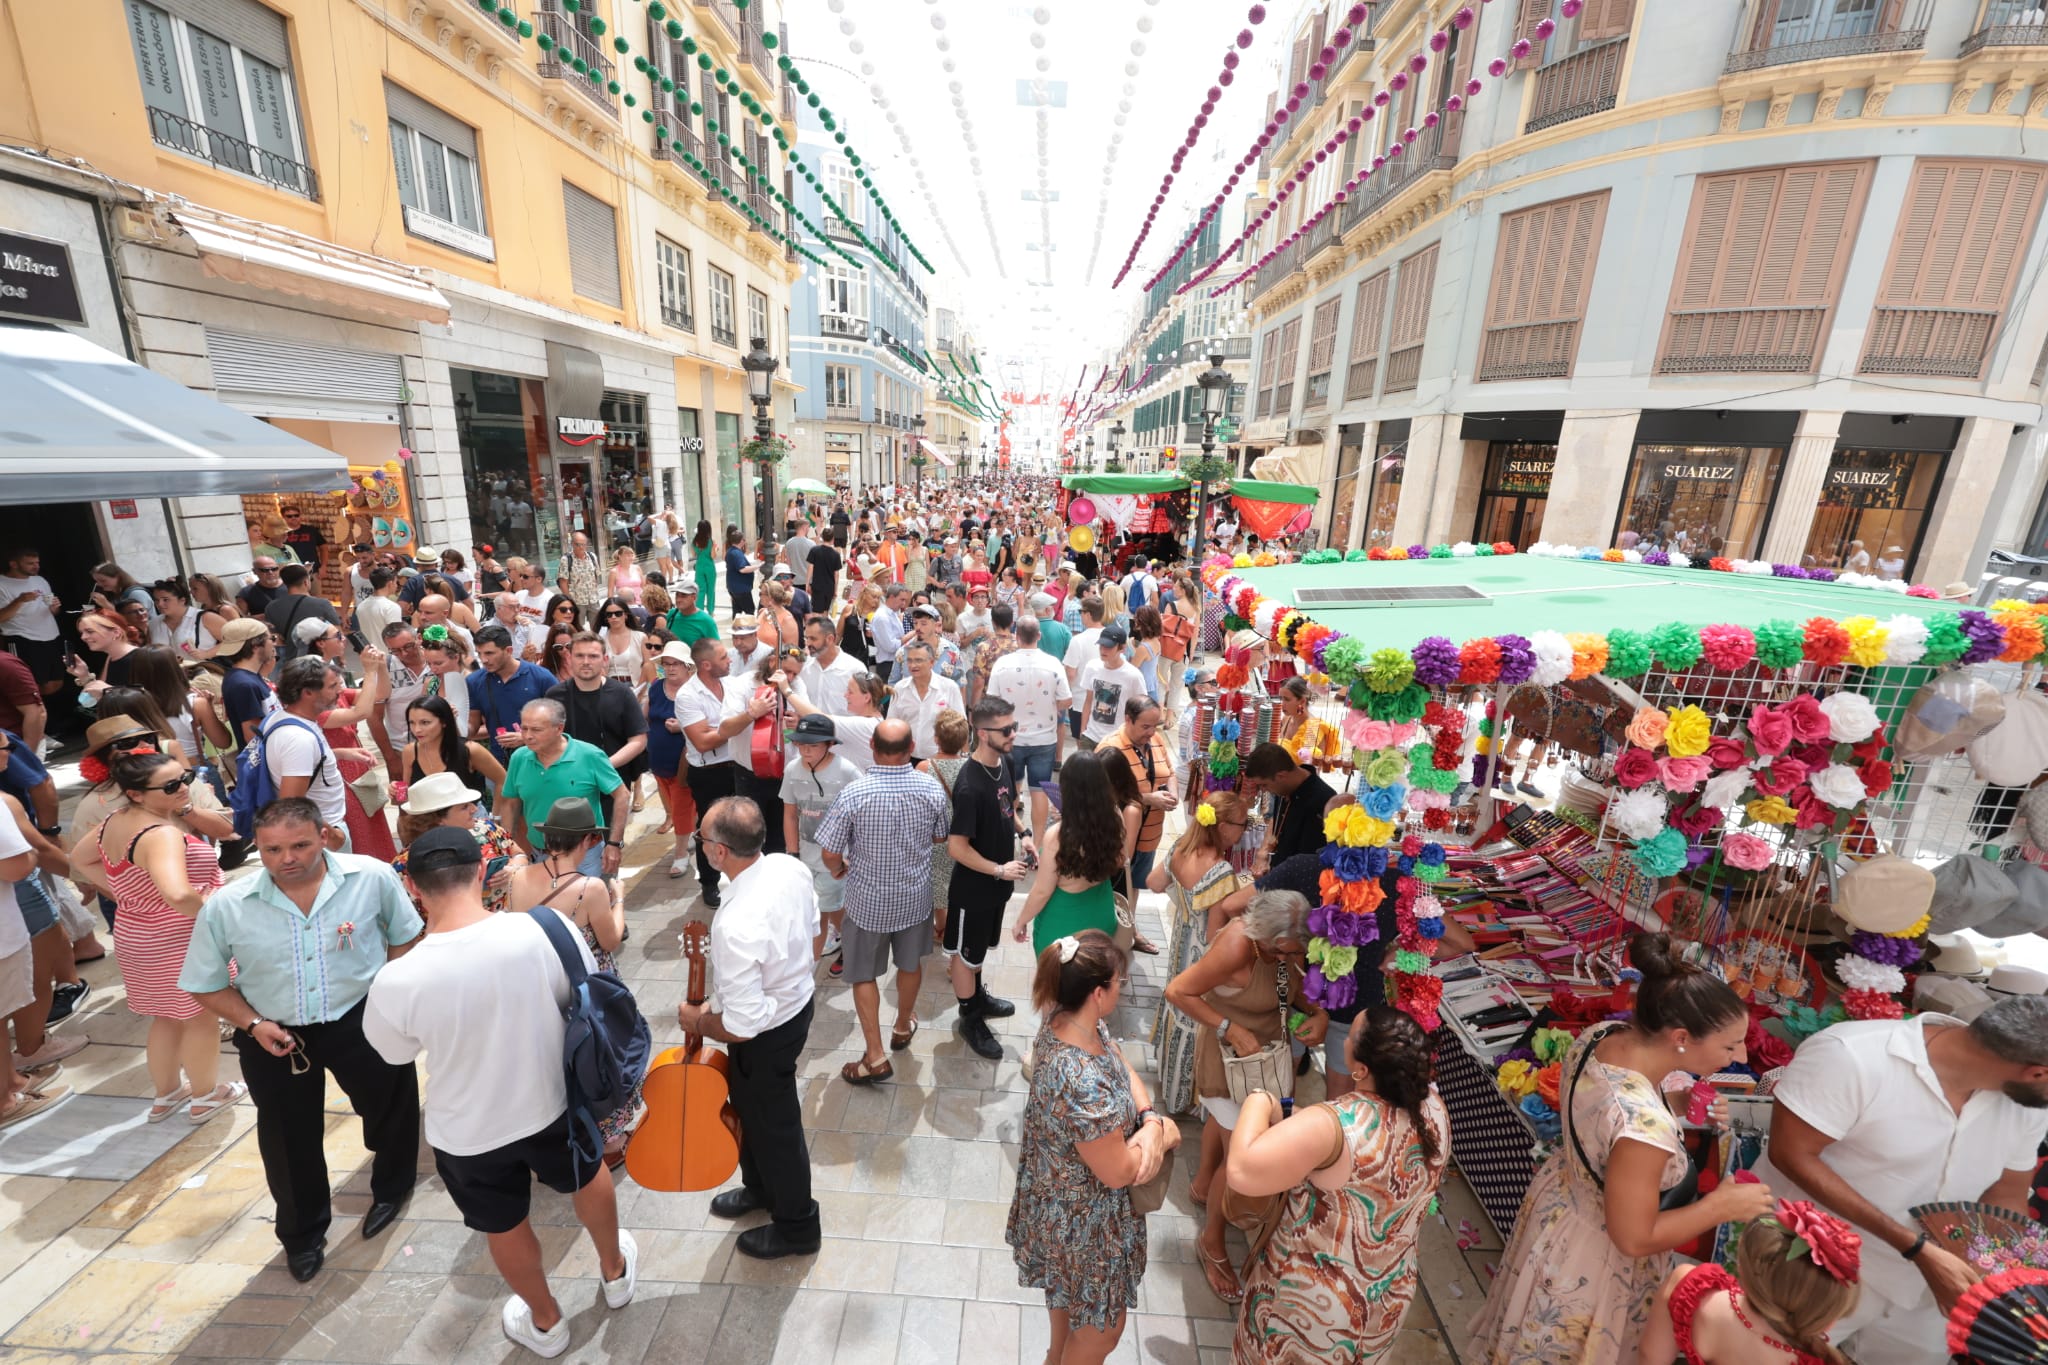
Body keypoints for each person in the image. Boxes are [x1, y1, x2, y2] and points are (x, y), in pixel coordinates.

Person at [363, 825, 634, 1356]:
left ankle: (547, 1322)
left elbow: (393, 1054)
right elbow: (570, 999)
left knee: (503, 1224)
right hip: (554, 1101)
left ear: (413, 888)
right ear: (484, 872)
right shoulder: (545, 928)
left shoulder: (398, 979)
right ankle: (615, 1271)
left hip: (468, 1130)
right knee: (587, 1174)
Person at [1473, 931, 1775, 1365]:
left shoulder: (1605, 1036)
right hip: (1594, 1263)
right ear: (1681, 1037)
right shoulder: (1643, 1130)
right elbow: (1633, 1238)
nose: (1739, 1055)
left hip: (1560, 1212)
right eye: (1729, 1045)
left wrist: (1677, 1103)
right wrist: (1721, 1206)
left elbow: (1606, 1113)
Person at [180, 798, 423, 1282]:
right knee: (288, 1140)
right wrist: (252, 1024)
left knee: (391, 1107)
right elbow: (204, 982)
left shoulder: (371, 877)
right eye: (271, 849)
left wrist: (388, 994)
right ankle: (303, 1234)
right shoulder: (229, 905)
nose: (286, 858)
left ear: (325, 835)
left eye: (299, 845)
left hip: (361, 1018)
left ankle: (393, 1188)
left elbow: (406, 935)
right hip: (273, 1034)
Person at [1748, 993, 2048, 1363]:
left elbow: (2006, 1192)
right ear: (2037, 1073)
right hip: (1808, 1270)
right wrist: (1914, 1247)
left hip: (1926, 1291)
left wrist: (1993, 1271)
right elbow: (1791, 1154)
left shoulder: (2026, 1107)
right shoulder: (1852, 1055)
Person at [1227, 1006, 1450, 1363]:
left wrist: (1260, 1100)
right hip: (1385, 1297)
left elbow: (1241, 1171)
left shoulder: (1336, 1124)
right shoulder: (1434, 1109)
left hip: (1311, 1309)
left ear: (1360, 1069)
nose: (1343, 1039)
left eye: (1349, 1037)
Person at [1006, 930, 1170, 1365]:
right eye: (1120, 983)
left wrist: (1148, 1115)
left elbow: (1116, 1057)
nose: (1123, 989)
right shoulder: (1083, 1084)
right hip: (1087, 1226)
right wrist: (1163, 1134)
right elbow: (1118, 1172)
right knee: (1101, 1331)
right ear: (1098, 993)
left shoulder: (1068, 1021)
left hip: (1057, 1205)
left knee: (1064, 1300)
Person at [1165, 888, 1330, 1301]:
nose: (1294, 959)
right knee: (1239, 1154)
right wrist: (1228, 1028)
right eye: (1287, 952)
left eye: (1297, 953)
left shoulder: (1283, 950)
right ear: (1266, 939)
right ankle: (1212, 1241)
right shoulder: (1237, 946)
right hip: (1227, 1064)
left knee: (1226, 1135)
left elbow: (1295, 991)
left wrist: (1320, 1014)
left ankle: (1204, 1185)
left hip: (1265, 1061)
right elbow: (1178, 991)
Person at [66, 747, 241, 1122]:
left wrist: (127, 893)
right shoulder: (160, 834)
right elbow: (178, 894)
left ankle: (167, 1095)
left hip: (137, 935)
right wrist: (216, 912)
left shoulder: (115, 819)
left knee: (165, 1017)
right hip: (178, 937)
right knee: (200, 1017)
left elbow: (81, 859)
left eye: (185, 779)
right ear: (136, 793)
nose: (182, 789)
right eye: (170, 785)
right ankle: (206, 1095)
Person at [684, 796, 824, 1258]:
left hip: (768, 1032)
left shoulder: (736, 926)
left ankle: (798, 1226)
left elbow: (742, 1026)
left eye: (702, 838)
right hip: (794, 1005)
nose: (699, 844)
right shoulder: (788, 867)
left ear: (720, 851)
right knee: (749, 1108)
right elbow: (816, 927)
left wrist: (697, 1020)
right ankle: (761, 1188)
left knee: (775, 1126)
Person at [816, 719, 950, 1086]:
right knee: (909, 965)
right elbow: (941, 837)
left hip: (866, 900)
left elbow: (829, 852)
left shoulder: (855, 793)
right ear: (910, 749)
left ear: (872, 747)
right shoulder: (931, 789)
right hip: (914, 898)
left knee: (863, 973)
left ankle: (874, 1054)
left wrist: (840, 866)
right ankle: (903, 1024)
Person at [504, 799, 637, 1163]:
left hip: (540, 984)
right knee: (599, 1060)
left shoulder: (518, 878)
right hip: (586, 987)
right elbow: (610, 940)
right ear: (589, 840)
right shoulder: (589, 887)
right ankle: (610, 1139)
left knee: (558, 1061)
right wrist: (619, 901)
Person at [1637, 1201, 1861, 1365]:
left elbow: (1650, 1357)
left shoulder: (1691, 1287)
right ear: (1826, 1321)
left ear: (1744, 1266)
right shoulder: (1814, 1360)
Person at [1149, 793, 1253, 1116]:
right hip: (1200, 959)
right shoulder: (1220, 872)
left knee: (1176, 1009)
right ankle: (1189, 1100)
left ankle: (1170, 1087)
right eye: (1242, 824)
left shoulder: (1182, 846)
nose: (1245, 830)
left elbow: (1153, 882)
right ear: (1223, 827)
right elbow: (1214, 937)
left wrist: (1183, 902)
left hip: (1179, 944)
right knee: (1195, 1018)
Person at [940, 697, 1028, 1060]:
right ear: (982, 732)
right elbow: (956, 848)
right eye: (1006, 730)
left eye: (1014, 727)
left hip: (996, 885)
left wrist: (1024, 835)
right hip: (974, 889)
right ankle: (970, 1017)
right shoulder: (969, 785)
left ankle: (978, 996)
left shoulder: (1003, 761)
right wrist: (998, 869)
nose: (1013, 735)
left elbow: (1008, 808)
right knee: (965, 955)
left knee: (978, 953)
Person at [675, 637, 772, 908]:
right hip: (709, 773)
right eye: (723, 657)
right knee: (710, 829)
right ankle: (709, 882)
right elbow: (702, 742)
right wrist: (740, 722)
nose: (730, 659)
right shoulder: (687, 695)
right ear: (706, 665)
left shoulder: (731, 684)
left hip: (738, 768)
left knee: (746, 824)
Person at [497, 699, 630, 880]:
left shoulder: (589, 755)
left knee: (587, 906)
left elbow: (622, 794)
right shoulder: (519, 758)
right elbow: (511, 803)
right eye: (524, 728)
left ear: (559, 729)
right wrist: (507, 848)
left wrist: (614, 844)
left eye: (536, 730)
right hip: (540, 856)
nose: (527, 736)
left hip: (586, 857)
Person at [1011, 750, 1126, 957]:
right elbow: (1119, 861)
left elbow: (1041, 891)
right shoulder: (1116, 818)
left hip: (1063, 925)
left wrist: (1021, 921)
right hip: (1102, 914)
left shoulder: (1058, 835)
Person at [988, 614, 1071, 845]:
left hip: (1010, 738)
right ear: (1039, 636)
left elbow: (992, 701)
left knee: (1008, 791)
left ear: (1016, 636)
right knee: (1039, 791)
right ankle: (1039, 843)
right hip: (1044, 738)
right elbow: (1066, 700)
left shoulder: (1002, 664)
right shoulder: (1053, 664)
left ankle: (1008, 837)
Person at [390, 772, 524, 914]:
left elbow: (519, 855)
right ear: (436, 819)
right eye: (464, 807)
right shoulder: (405, 866)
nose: (475, 809)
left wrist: (513, 869)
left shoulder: (487, 830)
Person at [258, 658, 356, 850]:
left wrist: (341, 754)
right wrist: (333, 835)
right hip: (321, 836)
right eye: (332, 686)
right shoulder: (298, 739)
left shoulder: (284, 719)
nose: (340, 691)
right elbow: (291, 805)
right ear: (308, 692)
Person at [546, 633, 649, 801]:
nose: (586, 661)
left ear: (605, 659)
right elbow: (548, 738)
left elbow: (638, 739)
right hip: (568, 781)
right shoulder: (554, 696)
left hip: (612, 780)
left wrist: (604, 765)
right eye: (580, 655)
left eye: (593, 656)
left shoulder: (622, 694)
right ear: (569, 658)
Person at [1100, 696, 1177, 902]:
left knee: (1132, 886)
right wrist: (1149, 799)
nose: (1151, 732)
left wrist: (1173, 794)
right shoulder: (1110, 749)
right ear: (1128, 719)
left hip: (1150, 835)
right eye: (1145, 726)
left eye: (1155, 726)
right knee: (1113, 889)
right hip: (1119, 840)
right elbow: (1102, 795)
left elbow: (1170, 773)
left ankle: (1130, 928)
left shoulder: (1156, 740)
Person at [1243, 743, 1350, 868]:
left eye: (1264, 785)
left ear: (1281, 776)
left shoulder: (1323, 801)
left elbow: (1310, 859)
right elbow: (1276, 819)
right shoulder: (1284, 787)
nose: (1263, 790)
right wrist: (1264, 851)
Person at [467, 625, 558, 763]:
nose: (483, 660)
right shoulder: (474, 681)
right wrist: (453, 721)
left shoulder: (541, 677)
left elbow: (560, 721)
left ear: (508, 650)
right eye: (479, 654)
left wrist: (526, 737)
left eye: (489, 653)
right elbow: (472, 726)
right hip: (499, 762)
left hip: (541, 760)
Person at [645, 641, 697, 878]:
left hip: (684, 762)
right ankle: (691, 837)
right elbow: (646, 715)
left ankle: (680, 854)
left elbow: (709, 723)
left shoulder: (695, 690)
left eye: (676, 663)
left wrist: (683, 727)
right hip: (658, 760)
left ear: (688, 666)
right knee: (674, 806)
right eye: (666, 664)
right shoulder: (656, 687)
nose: (671, 668)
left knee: (681, 809)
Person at [403, 694, 506, 804]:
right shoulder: (410, 751)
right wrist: (395, 794)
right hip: (424, 819)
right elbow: (405, 796)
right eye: (412, 723)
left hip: (468, 818)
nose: (417, 729)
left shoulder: (470, 750)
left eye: (425, 722)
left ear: (444, 722)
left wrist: (497, 815)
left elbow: (503, 780)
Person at [0, 547, 65, 709]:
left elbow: (52, 611)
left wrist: (55, 607)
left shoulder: (40, 580)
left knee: (56, 681)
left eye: (37, 563)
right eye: (30, 563)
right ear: (13, 564)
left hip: (50, 635)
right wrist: (20, 600)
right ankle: (41, 721)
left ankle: (54, 719)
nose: (36, 566)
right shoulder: (2, 584)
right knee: (31, 684)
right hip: (22, 638)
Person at [1074, 625, 1147, 754]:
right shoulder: (1092, 667)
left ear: (1122, 648)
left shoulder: (1134, 676)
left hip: (1117, 740)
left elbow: (1141, 709)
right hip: (1091, 737)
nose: (1103, 650)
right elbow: (1088, 701)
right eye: (1101, 645)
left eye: (1109, 647)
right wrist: (1082, 732)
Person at [892, 639, 964, 762]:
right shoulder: (900, 688)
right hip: (906, 758)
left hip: (940, 759)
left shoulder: (949, 687)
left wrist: (963, 755)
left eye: (918, 660)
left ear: (931, 662)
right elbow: (892, 723)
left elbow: (961, 724)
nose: (913, 665)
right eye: (909, 660)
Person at [263, 565, 343, 663]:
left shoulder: (271, 607)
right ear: (306, 582)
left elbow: (275, 638)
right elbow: (337, 634)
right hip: (321, 660)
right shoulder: (322, 604)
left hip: (291, 662)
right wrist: (341, 658)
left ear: (285, 583)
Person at [148, 577, 225, 660]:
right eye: (156, 600)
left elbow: (236, 640)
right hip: (171, 671)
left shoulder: (206, 617)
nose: (159, 604)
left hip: (206, 670)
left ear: (182, 600)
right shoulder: (153, 623)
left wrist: (207, 654)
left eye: (165, 600)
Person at [1273, 675, 1340, 765]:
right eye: (1281, 699)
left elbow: (1312, 768)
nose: (1282, 704)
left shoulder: (1313, 729)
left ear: (1302, 701)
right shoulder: (1286, 719)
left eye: (1287, 699)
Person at [279, 506, 327, 572]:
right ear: (283, 518)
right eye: (289, 516)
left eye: (296, 515)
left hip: (313, 570)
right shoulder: (279, 533)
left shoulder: (311, 530)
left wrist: (323, 566)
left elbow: (324, 547)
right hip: (290, 572)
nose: (293, 518)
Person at [725, 526, 759, 615]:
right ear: (741, 541)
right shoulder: (736, 553)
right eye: (744, 540)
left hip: (734, 587)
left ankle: (736, 627)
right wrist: (757, 566)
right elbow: (742, 569)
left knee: (737, 612)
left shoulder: (730, 551)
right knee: (749, 611)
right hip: (741, 588)